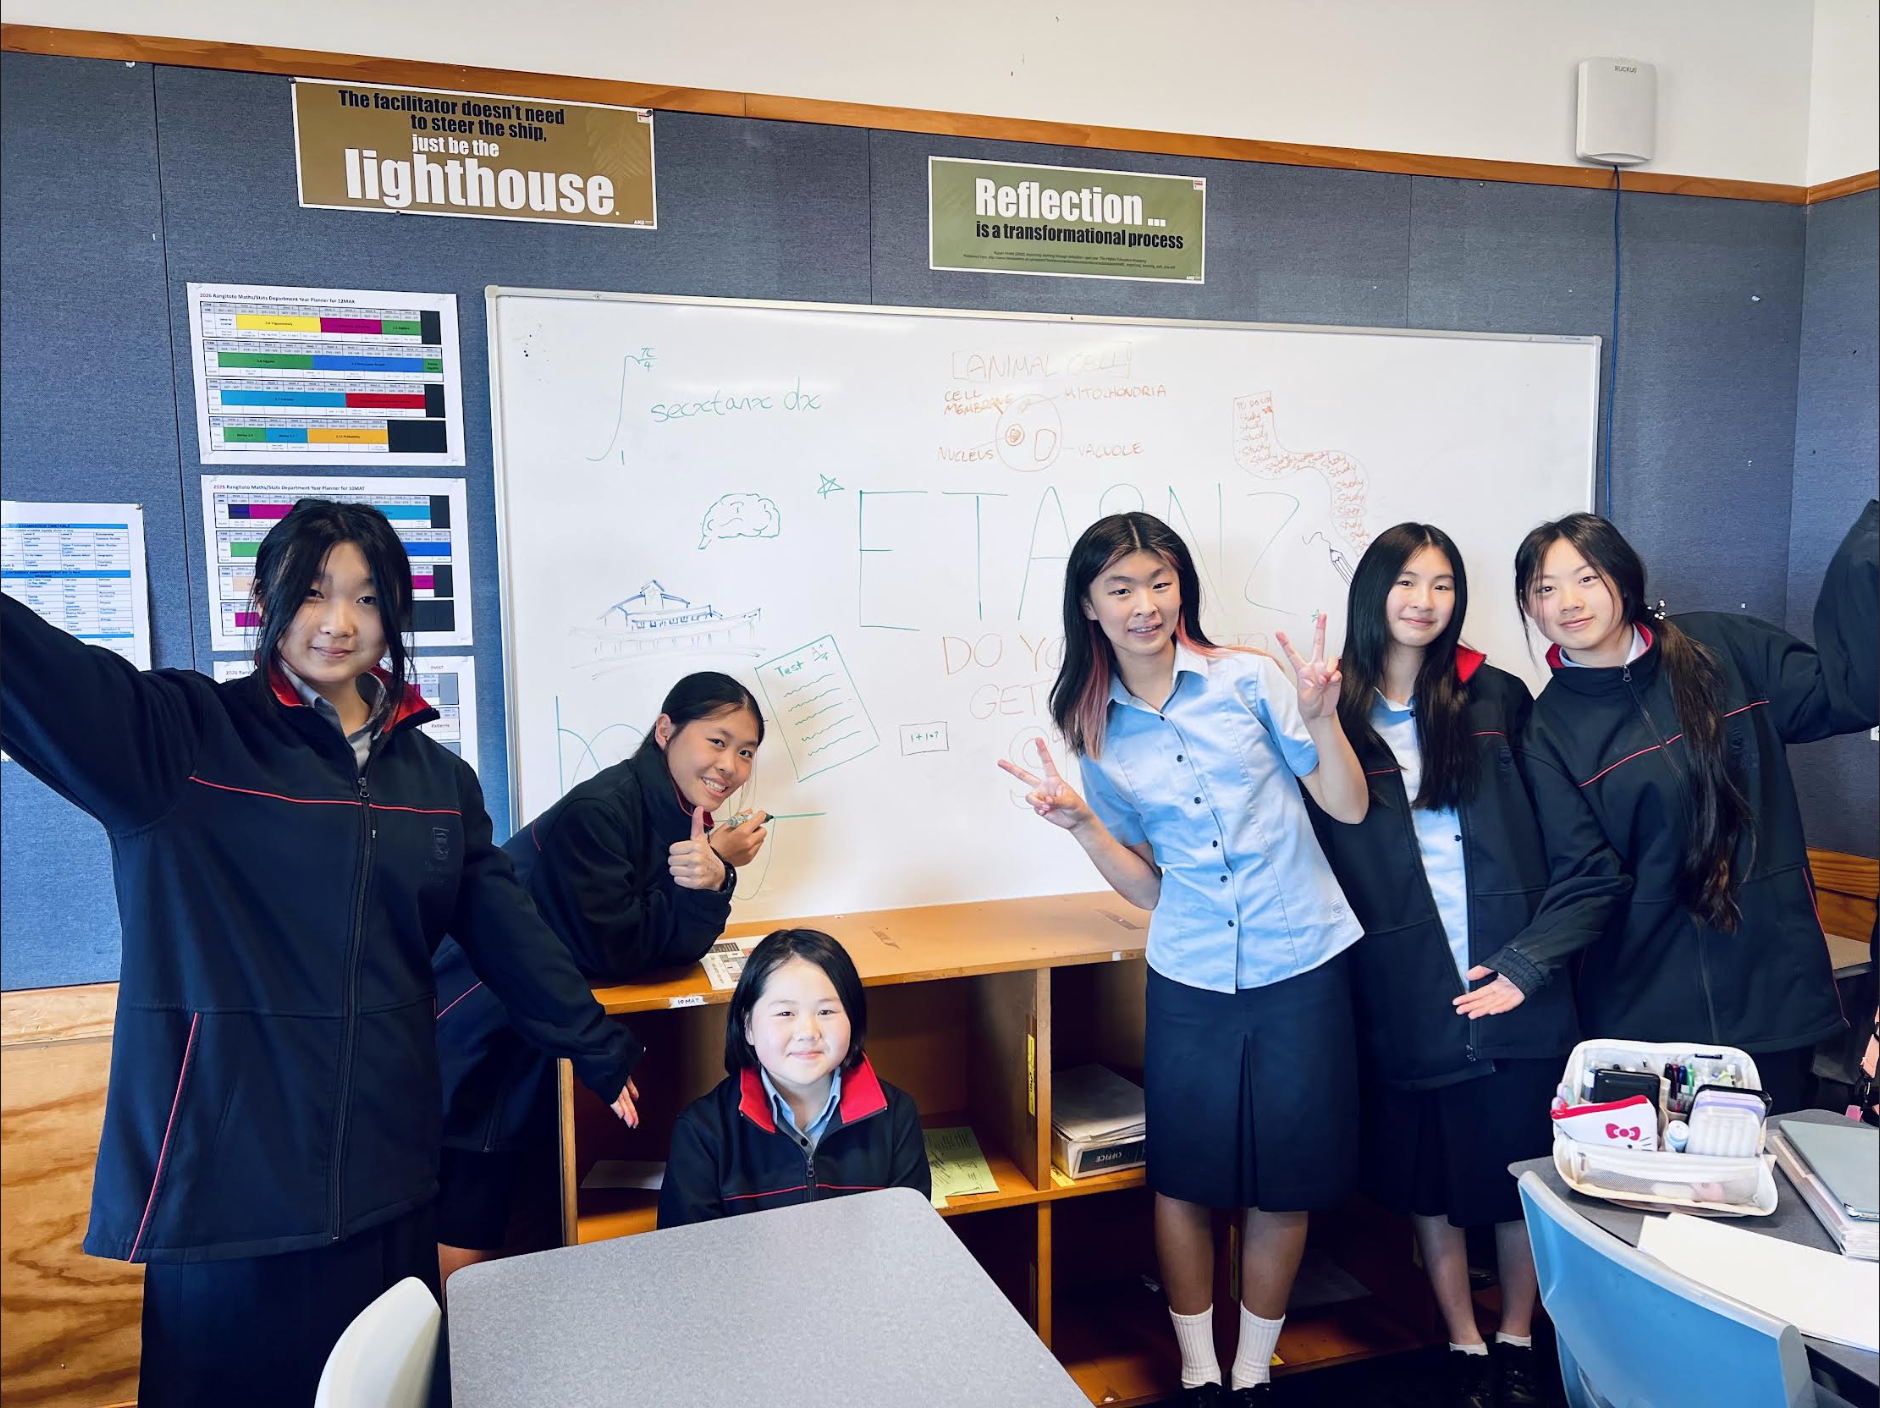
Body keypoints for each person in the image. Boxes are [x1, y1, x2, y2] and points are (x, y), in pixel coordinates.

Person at [0, 499, 640, 1406]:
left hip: (388, 1183)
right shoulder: (180, 739)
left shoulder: (434, 780)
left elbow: (502, 923)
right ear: (261, 596)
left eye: (367, 599)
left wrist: (595, 1043)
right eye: (311, 592)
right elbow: (33, 674)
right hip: (231, 1195)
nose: (339, 623)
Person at [999, 511, 1367, 1403]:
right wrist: (1084, 826)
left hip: (1300, 960)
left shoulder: (1250, 682)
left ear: (1181, 587)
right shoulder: (1092, 723)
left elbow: (1349, 808)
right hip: (1193, 972)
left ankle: (1253, 1370)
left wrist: (1323, 723)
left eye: (1160, 582)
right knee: (1186, 1178)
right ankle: (1200, 1370)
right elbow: (1149, 888)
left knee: (1285, 1179)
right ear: (1088, 605)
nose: (1145, 604)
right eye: (1121, 588)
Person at [1306, 522, 1627, 1408]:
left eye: (1443, 584)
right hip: (1404, 977)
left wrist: (1531, 961)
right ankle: (1462, 1339)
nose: (1424, 600)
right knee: (1435, 1180)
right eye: (1406, 581)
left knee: (1522, 1168)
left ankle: (1520, 1335)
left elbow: (1565, 835)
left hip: (1511, 968)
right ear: (1372, 593)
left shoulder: (1497, 697)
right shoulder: (1328, 709)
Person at [1512, 511, 1877, 1114]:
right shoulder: (1546, 730)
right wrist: (1523, 963)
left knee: (1777, 1183)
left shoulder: (1722, 648)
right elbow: (1585, 873)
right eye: (1545, 589)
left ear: (1623, 580)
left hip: (1770, 982)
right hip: (1645, 1008)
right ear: (1529, 605)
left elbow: (1851, 692)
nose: (1568, 602)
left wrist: (1871, 549)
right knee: (1665, 1195)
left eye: (1585, 578)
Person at [433, 672, 769, 1278]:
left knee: (533, 1199)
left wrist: (712, 874)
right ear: (666, 730)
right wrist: (711, 865)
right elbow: (618, 948)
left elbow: (673, 949)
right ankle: (449, 1361)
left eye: (746, 752)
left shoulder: (682, 814)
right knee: (473, 1193)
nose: (732, 766)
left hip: (545, 1018)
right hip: (487, 1013)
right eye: (718, 742)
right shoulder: (603, 808)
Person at [656, 928, 929, 1226]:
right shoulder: (703, 1131)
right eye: (785, 1013)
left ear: (853, 1019)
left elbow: (908, 1244)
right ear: (747, 1025)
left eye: (826, 1011)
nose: (808, 1032)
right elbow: (688, 1260)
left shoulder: (896, 1116)